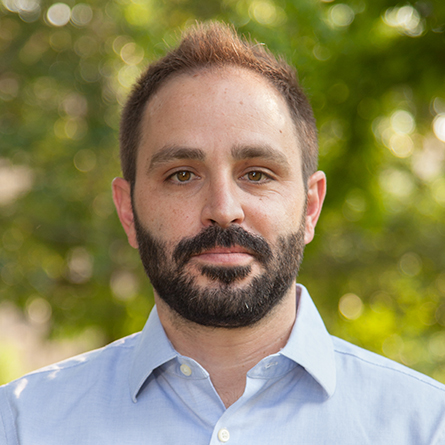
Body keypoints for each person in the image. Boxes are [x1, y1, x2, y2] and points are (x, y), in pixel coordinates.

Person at [1, 21, 444, 445]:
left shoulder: (425, 426)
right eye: (181, 175)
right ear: (128, 210)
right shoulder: (23, 424)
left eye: (256, 173)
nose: (223, 210)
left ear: (310, 206)